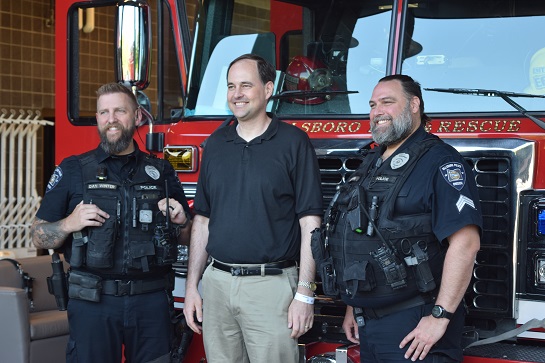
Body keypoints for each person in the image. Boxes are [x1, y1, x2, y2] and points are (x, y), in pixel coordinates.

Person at [315, 74, 482, 362]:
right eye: (372, 105)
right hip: (370, 326)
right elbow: (362, 237)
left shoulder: (440, 161)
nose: (377, 111)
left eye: (387, 102)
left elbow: (466, 244)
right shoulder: (371, 163)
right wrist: (353, 306)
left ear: (414, 104)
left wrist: (440, 317)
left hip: (416, 325)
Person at [30, 82, 192, 363]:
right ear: (97, 119)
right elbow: (37, 235)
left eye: (119, 111)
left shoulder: (162, 172)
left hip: (151, 301)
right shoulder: (72, 169)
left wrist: (180, 222)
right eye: (103, 113)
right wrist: (69, 222)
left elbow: (189, 236)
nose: (111, 119)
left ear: (137, 116)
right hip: (94, 302)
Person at [183, 53, 323, 363]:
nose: (237, 94)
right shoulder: (215, 144)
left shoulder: (294, 143)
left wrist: (304, 293)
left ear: (269, 89)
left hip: (271, 287)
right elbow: (203, 221)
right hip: (217, 285)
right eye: (231, 86)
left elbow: (310, 223)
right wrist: (193, 286)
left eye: (246, 85)